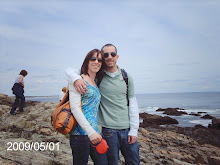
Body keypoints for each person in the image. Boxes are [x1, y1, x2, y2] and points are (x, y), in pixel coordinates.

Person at [65, 44, 140, 165]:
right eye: (105, 55)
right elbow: (69, 71)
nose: (109, 57)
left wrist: (134, 129)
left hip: (104, 132)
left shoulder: (118, 77)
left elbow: (133, 103)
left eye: (112, 54)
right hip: (90, 132)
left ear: (117, 56)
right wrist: (75, 78)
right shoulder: (84, 79)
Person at [66, 49, 107, 165]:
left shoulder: (95, 82)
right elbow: (75, 109)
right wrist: (90, 132)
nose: (96, 62)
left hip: (96, 133)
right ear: (87, 61)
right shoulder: (78, 80)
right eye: (93, 59)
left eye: (99, 60)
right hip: (80, 134)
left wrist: (96, 132)